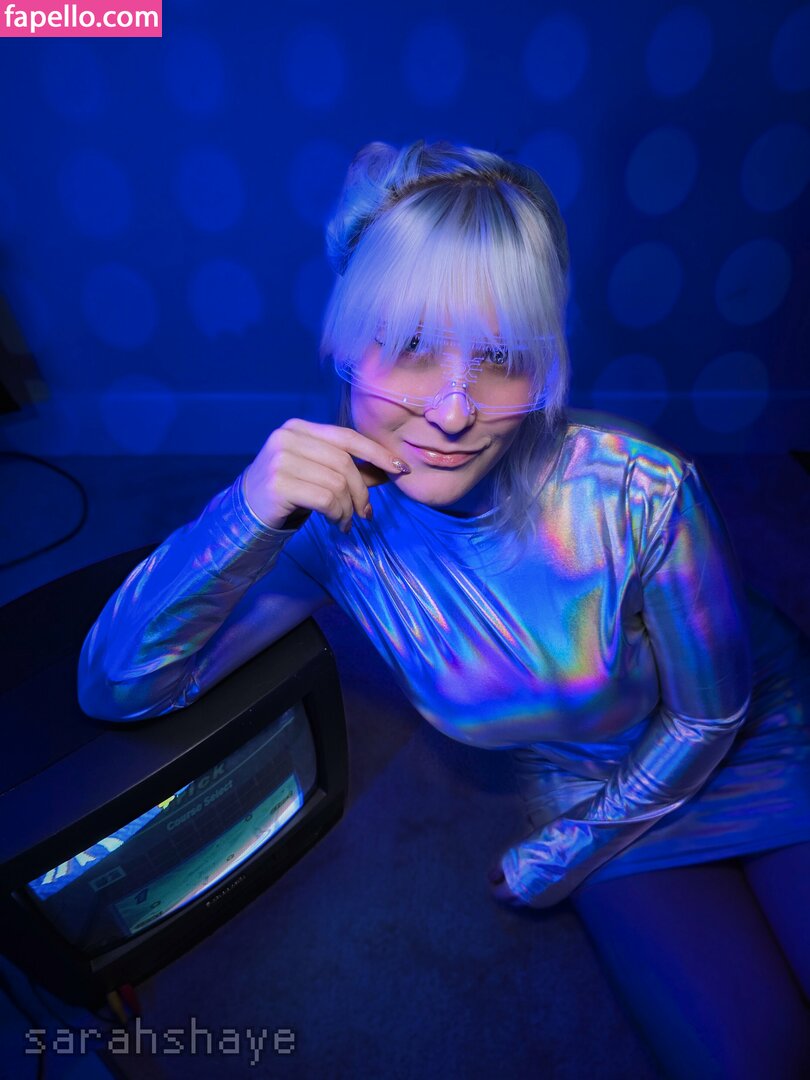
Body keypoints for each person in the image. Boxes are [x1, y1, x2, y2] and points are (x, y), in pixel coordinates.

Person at [78, 140, 810, 1076]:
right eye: (414, 346)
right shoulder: (338, 529)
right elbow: (122, 686)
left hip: (759, 738)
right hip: (580, 770)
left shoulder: (640, 492)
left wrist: (567, 850)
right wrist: (246, 509)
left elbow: (711, 712)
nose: (456, 411)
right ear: (348, 340)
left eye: (501, 357)